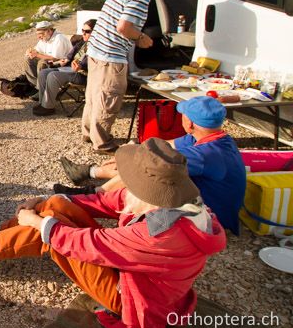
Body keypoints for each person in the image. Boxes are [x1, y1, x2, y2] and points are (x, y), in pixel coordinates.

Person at [0, 138, 226, 328]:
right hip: (136, 278)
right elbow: (105, 201)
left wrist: (36, 222)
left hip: (131, 297)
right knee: (56, 205)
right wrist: (42, 203)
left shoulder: (162, 234)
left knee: (48, 235)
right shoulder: (176, 202)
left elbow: (92, 244)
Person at [57, 96, 246, 234]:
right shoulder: (211, 139)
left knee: (143, 176)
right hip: (206, 202)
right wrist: (132, 152)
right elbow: (164, 146)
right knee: (142, 162)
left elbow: (151, 165)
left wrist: (130, 156)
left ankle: (94, 194)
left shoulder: (205, 154)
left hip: (209, 217)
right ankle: (90, 174)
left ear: (189, 123)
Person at [82, 0, 179, 153]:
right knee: (109, 98)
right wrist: (141, 38)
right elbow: (124, 27)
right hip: (111, 54)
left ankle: (88, 133)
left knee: (93, 96)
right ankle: (102, 143)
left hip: (96, 49)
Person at [33, 19, 97, 116]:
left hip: (83, 74)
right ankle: (43, 103)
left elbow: (93, 63)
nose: (83, 34)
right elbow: (71, 54)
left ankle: (48, 107)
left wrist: (81, 66)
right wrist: (65, 60)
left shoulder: (98, 45)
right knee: (44, 72)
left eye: (87, 31)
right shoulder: (83, 42)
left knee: (53, 76)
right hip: (72, 69)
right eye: (82, 31)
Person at [23, 21, 73, 87]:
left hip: (63, 64)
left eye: (41, 34)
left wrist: (37, 55)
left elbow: (55, 58)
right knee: (28, 59)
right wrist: (30, 51)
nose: (39, 37)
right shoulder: (45, 38)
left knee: (42, 63)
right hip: (52, 61)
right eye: (37, 34)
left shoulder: (59, 38)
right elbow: (37, 49)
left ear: (49, 31)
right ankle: (35, 85)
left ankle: (42, 88)